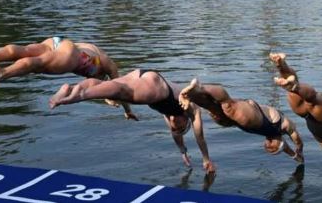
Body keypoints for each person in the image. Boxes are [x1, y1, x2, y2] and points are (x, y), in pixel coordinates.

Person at [49, 69, 215, 173]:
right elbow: (199, 136)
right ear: (186, 123)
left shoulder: (170, 118)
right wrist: (206, 158)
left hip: (141, 75)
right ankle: (79, 95)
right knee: (122, 91)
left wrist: (183, 152)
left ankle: (70, 89)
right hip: (156, 85)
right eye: (179, 126)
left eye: (174, 126)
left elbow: (176, 136)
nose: (174, 123)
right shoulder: (192, 110)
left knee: (111, 87)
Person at [0, 37, 133, 118]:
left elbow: (103, 89)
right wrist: (127, 111)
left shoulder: (96, 53)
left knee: (24, 50)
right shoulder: (105, 66)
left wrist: (116, 104)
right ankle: (2, 73)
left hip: (58, 42)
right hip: (75, 57)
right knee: (36, 64)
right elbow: (118, 89)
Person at [179, 78, 304, 163]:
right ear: (281, 141)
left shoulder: (275, 135)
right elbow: (295, 140)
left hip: (244, 123)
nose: (268, 145)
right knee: (229, 107)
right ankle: (201, 87)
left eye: (268, 147)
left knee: (215, 111)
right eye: (273, 146)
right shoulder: (284, 125)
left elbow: (285, 148)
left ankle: (192, 95)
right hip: (259, 117)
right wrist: (299, 148)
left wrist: (295, 157)